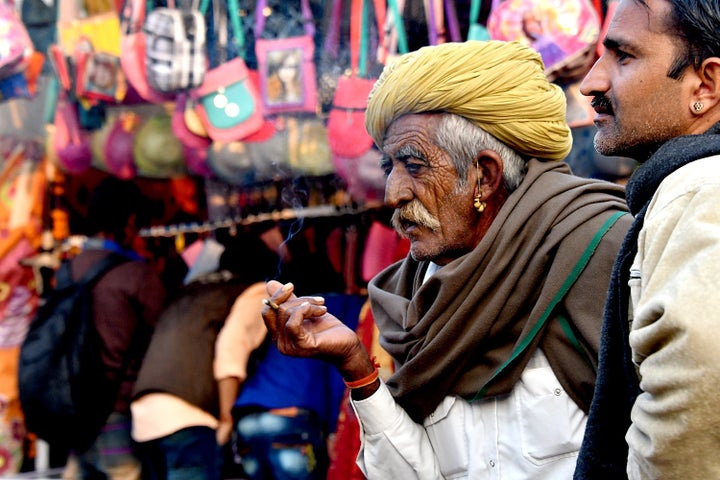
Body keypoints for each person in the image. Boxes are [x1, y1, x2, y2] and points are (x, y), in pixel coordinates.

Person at [260, 40, 633, 479]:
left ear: (485, 176)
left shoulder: (603, 254)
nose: (392, 194)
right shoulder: (416, 294)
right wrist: (357, 367)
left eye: (413, 166)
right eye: (389, 168)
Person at [573, 1, 720, 479]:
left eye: (624, 57)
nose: (591, 83)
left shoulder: (699, 190)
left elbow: (698, 384)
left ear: (706, 85)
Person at [131, 232, 278, 480]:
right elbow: (231, 349)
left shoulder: (193, 287)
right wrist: (226, 417)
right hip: (187, 416)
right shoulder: (255, 292)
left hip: (145, 413)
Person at [61, 176, 167, 480]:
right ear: (130, 220)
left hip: (75, 405)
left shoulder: (67, 271)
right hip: (116, 406)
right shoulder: (136, 274)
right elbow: (163, 332)